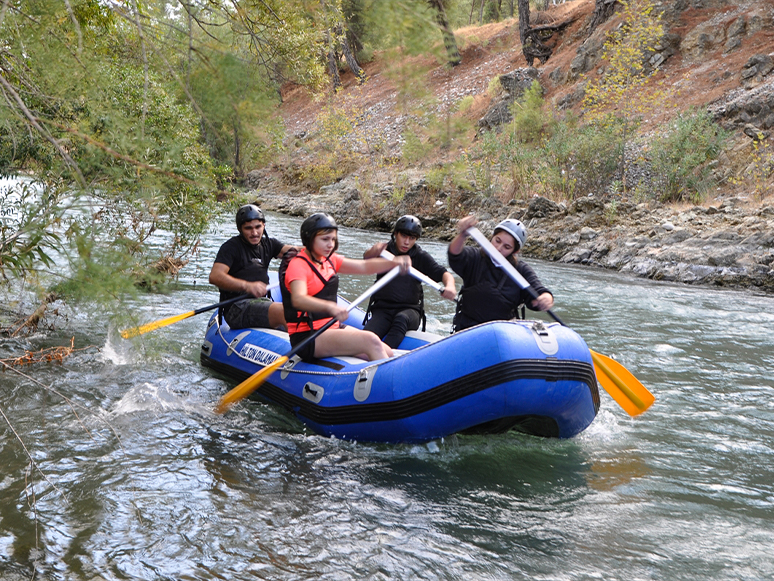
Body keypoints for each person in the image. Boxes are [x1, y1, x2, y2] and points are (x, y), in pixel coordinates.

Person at [280, 212, 411, 362]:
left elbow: (364, 267)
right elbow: (298, 299)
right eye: (325, 239)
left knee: (387, 351)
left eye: (333, 239)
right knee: (371, 340)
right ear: (309, 239)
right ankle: (385, 383)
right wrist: (330, 307)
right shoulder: (298, 265)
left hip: (332, 328)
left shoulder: (329, 259)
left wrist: (394, 262)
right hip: (309, 336)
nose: (330, 244)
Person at [361, 215, 457, 348]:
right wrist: (374, 250)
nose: (407, 242)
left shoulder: (420, 256)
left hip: (410, 311)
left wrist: (450, 286)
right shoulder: (384, 251)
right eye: (404, 236)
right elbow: (366, 259)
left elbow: (444, 274)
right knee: (365, 338)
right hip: (383, 309)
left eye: (412, 238)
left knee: (401, 319)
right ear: (395, 234)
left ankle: (384, 355)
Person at [447, 215, 554, 332]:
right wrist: (462, 235)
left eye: (507, 247)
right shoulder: (475, 257)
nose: (498, 248)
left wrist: (546, 298)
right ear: (492, 236)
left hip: (501, 333)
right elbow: (455, 255)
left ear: (515, 251)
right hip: (468, 329)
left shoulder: (521, 270)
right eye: (497, 241)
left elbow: (538, 290)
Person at [209, 204, 295, 330]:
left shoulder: (269, 244)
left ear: (264, 225)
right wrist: (247, 286)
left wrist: (317, 252)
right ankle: (305, 347)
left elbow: (295, 252)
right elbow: (215, 276)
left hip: (262, 302)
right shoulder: (231, 247)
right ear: (240, 229)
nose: (254, 233)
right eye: (248, 228)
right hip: (237, 308)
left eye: (258, 227)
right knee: (284, 311)